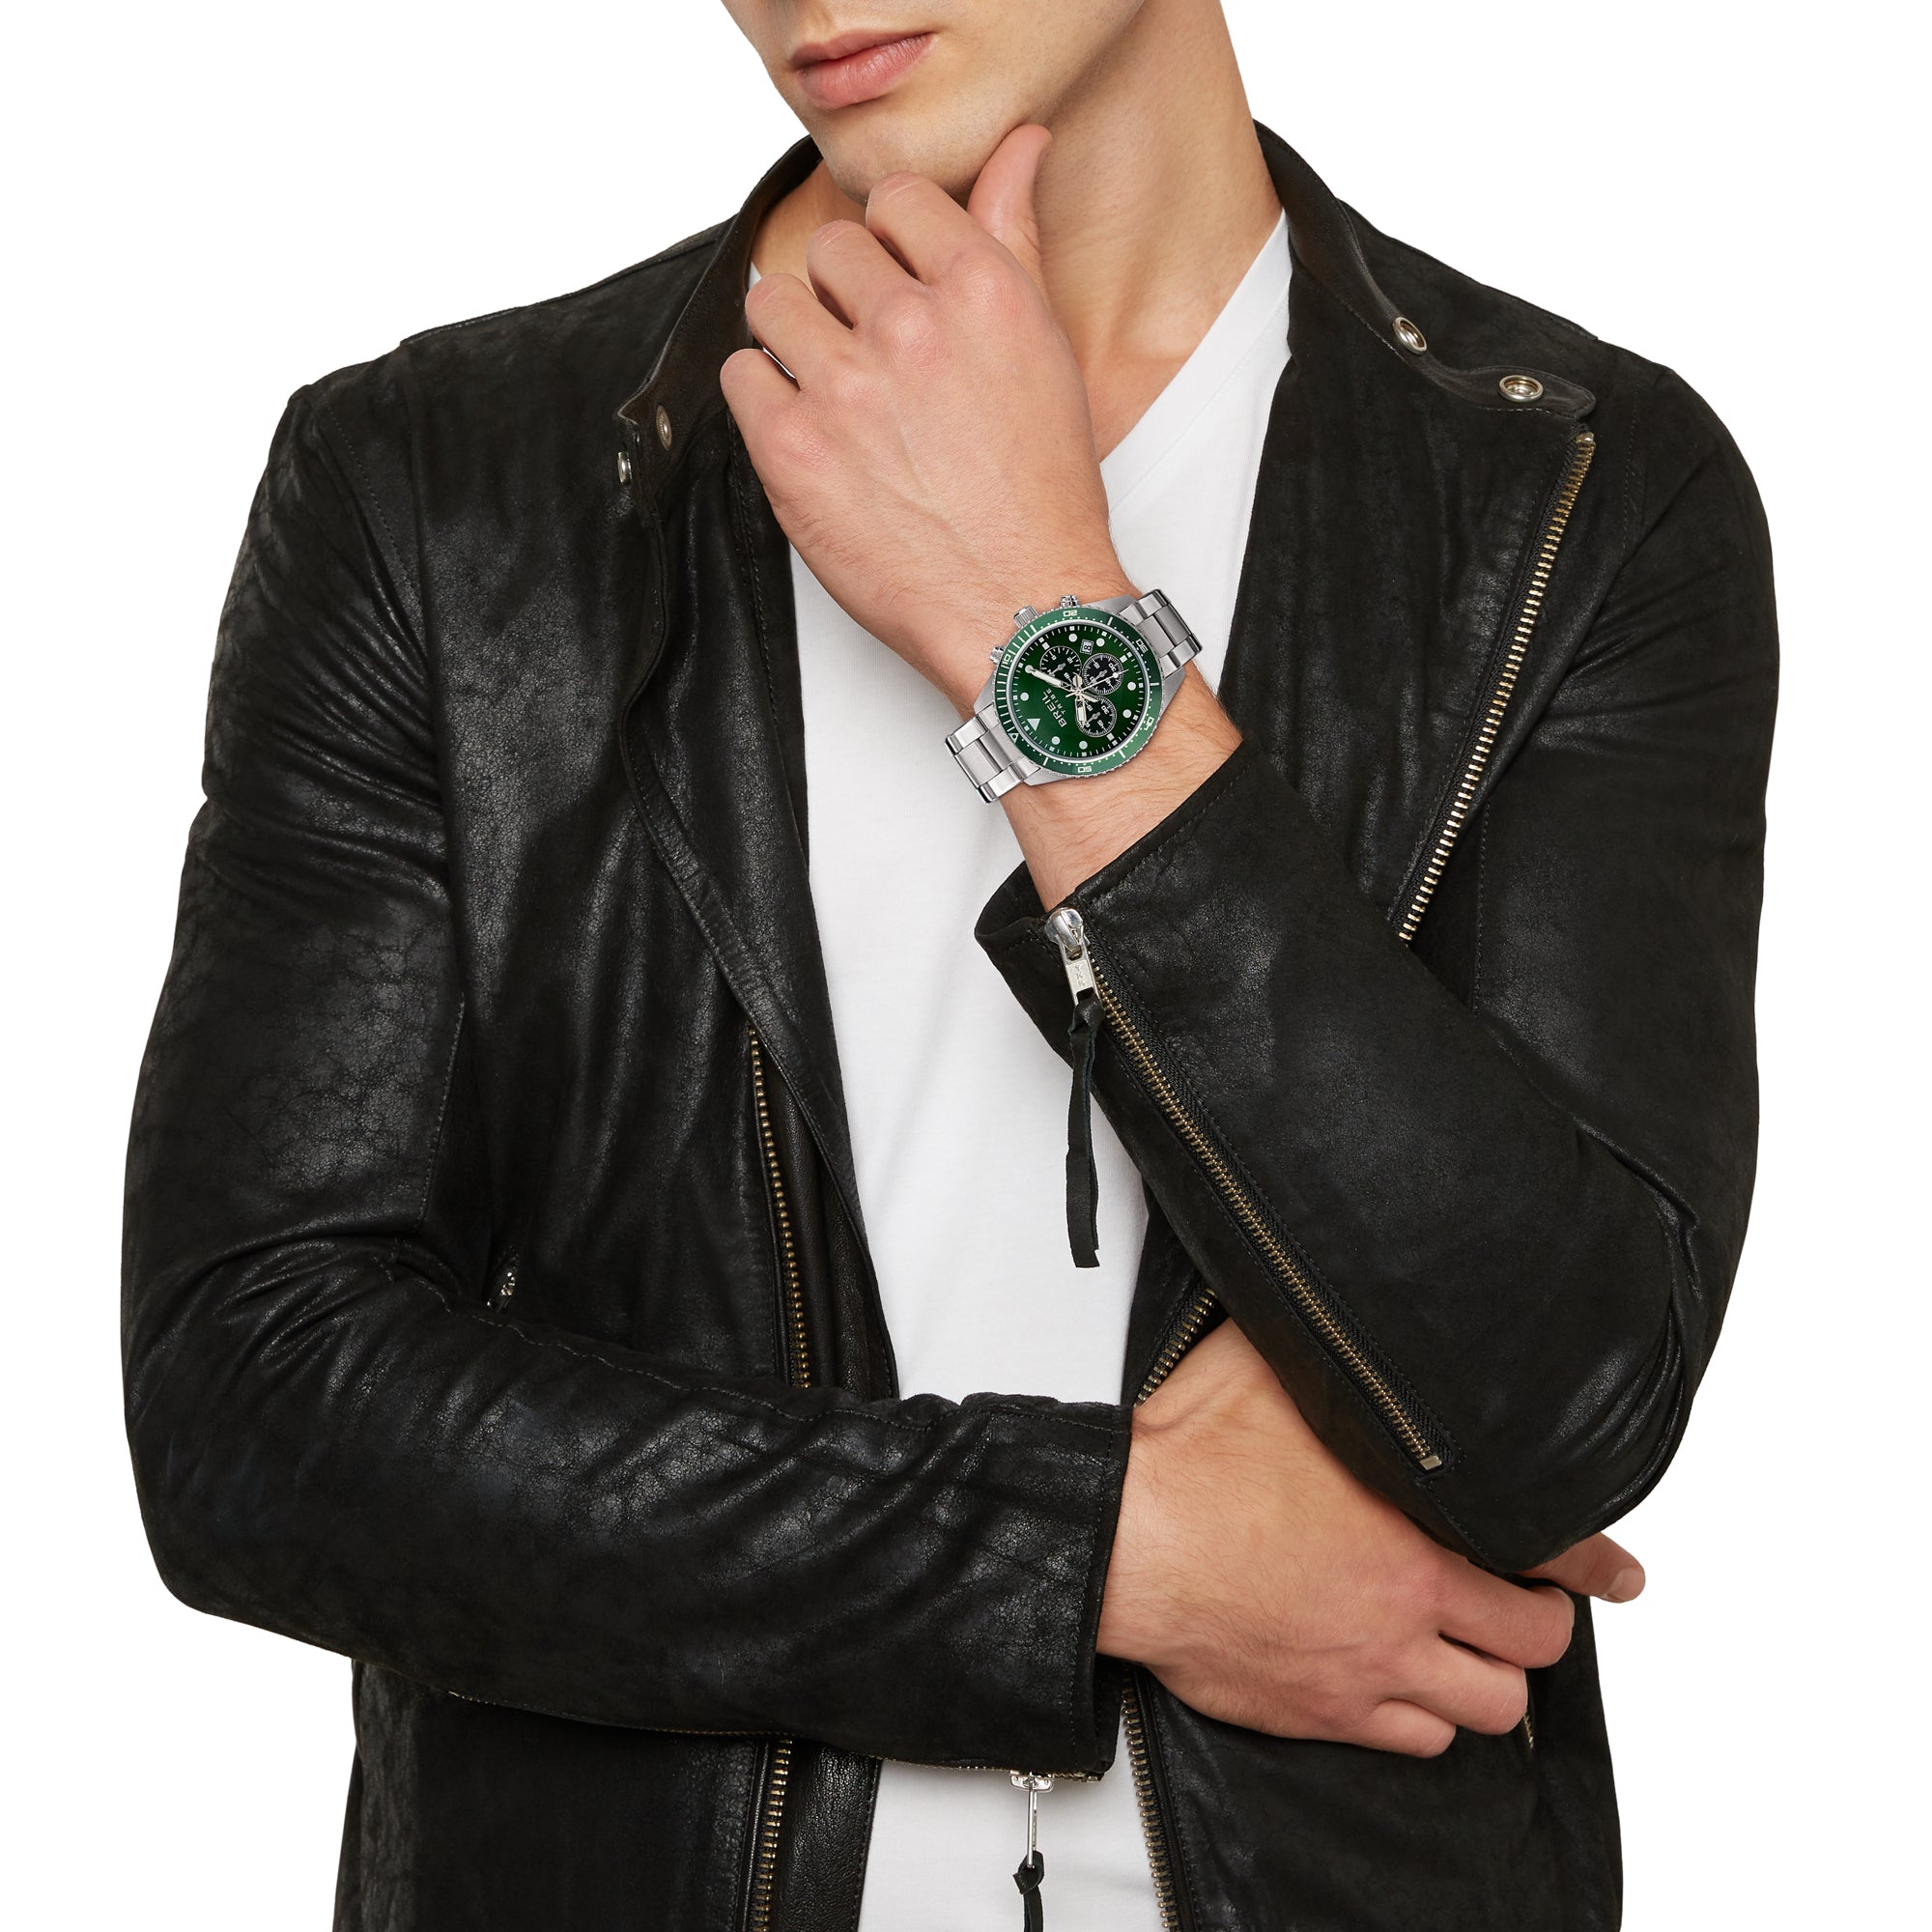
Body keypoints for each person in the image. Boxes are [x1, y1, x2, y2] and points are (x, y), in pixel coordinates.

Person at [121, 2, 1776, 1927]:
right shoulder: (441, 486)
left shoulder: (1571, 490)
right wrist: (1099, 1551)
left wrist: (1035, 620)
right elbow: (252, 1403)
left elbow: (1561, 1403)